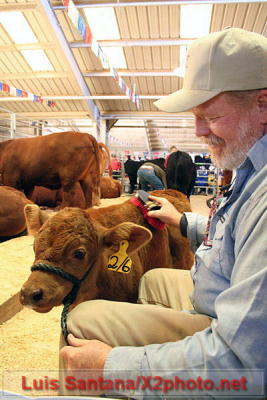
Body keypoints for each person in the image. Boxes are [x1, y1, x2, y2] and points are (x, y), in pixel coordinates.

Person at [59, 28, 267, 398]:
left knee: (82, 319)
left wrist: (114, 366)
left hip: (234, 347)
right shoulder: (252, 167)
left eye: (211, 116)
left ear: (263, 104)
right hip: (222, 295)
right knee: (153, 278)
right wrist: (184, 220)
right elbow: (240, 233)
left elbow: (245, 362)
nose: (198, 130)